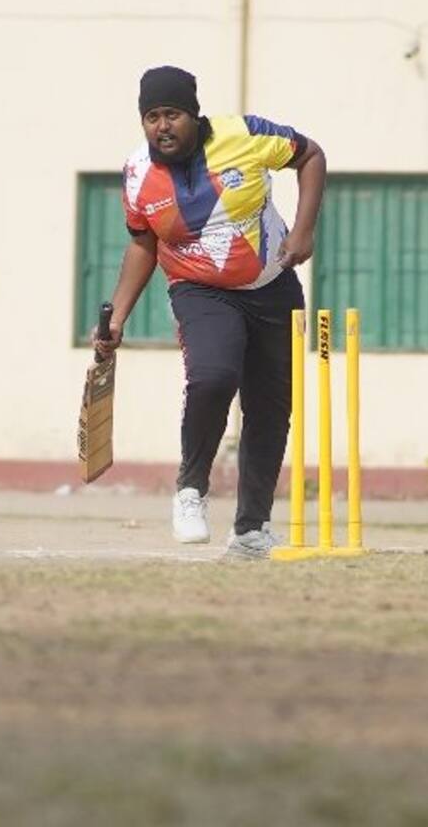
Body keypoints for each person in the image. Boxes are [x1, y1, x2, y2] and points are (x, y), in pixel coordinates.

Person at [92, 67, 327, 560]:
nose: (162, 126)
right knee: (214, 376)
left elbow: (310, 155)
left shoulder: (245, 135)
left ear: (194, 115)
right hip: (199, 289)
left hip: (273, 285)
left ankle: (252, 529)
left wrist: (304, 230)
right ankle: (190, 490)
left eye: (172, 114)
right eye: (152, 117)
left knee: (270, 407)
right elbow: (143, 244)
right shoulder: (138, 174)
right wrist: (117, 319)